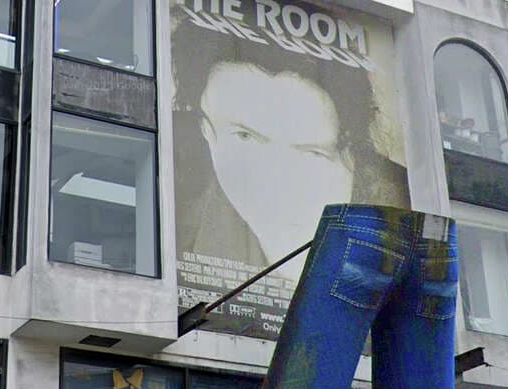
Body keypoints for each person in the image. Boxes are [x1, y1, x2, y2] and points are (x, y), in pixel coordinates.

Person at [172, 18, 408, 282]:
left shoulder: (409, 220)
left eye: (312, 152)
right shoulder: (171, 233)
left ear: (354, 153)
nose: (277, 185)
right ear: (207, 133)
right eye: (245, 137)